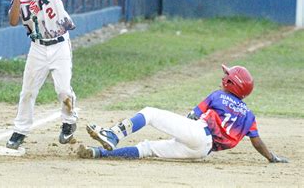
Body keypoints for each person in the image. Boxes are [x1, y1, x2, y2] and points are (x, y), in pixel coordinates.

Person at [78, 64, 289, 164]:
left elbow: (192, 117)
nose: (223, 77)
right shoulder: (249, 115)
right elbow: (257, 142)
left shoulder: (217, 96)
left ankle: (112, 136)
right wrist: (272, 157)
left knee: (150, 113)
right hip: (201, 152)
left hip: (197, 133)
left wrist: (180, 130)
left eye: (227, 76)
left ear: (230, 83)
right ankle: (99, 153)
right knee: (148, 149)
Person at [6, 0, 78, 150]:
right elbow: (12, 21)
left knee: (63, 90)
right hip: (37, 47)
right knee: (27, 91)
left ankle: (69, 122)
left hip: (59, 43)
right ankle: (20, 130)